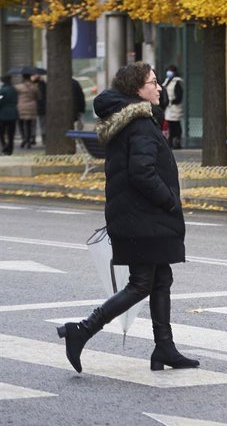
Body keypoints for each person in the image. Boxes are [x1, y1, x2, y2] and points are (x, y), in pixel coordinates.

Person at [55, 62, 198, 374]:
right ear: (137, 90)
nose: (158, 87)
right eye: (152, 82)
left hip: (139, 216)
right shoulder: (140, 124)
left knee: (161, 279)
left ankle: (164, 347)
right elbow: (142, 172)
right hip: (143, 218)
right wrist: (169, 201)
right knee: (142, 283)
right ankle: (81, 330)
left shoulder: (131, 120)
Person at [161, 65, 184, 149]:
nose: (169, 73)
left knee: (175, 126)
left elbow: (179, 96)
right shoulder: (166, 81)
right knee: (169, 126)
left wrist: (171, 101)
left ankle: (176, 142)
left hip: (174, 108)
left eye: (170, 71)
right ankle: (170, 142)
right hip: (168, 108)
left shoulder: (177, 82)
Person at [15, 73, 38, 149]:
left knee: (21, 123)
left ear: (23, 78)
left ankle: (24, 138)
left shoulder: (18, 87)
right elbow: (38, 96)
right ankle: (28, 141)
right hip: (31, 107)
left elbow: (15, 96)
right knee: (29, 125)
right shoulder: (34, 87)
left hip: (20, 107)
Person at [0, 74, 17, 154]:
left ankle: (4, 145)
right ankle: (10, 148)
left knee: (1, 132)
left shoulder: (2, 91)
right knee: (11, 133)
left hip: (3, 114)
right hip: (13, 113)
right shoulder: (13, 89)